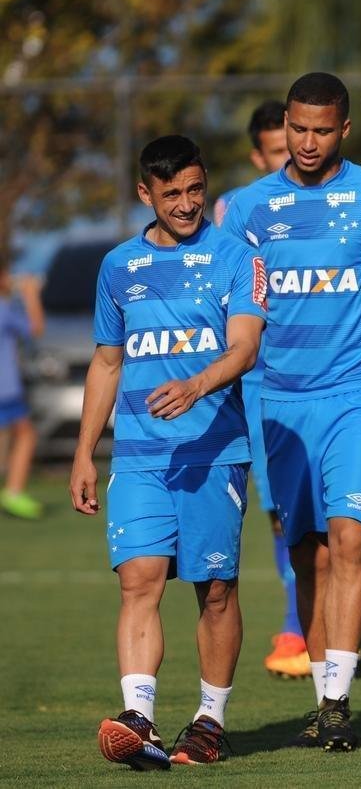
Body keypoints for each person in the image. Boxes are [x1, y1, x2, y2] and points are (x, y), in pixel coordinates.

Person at [220, 72, 361, 752]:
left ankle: (338, 700)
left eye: (320, 131)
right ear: (285, 124)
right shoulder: (249, 208)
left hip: (357, 392)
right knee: (307, 552)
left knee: (351, 537)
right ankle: (322, 697)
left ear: (344, 130)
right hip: (280, 401)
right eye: (296, 129)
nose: (306, 142)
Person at [71, 135, 267, 768]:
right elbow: (105, 362)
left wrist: (197, 385)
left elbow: (245, 348)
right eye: (172, 194)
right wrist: (84, 454)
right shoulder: (118, 267)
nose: (186, 205)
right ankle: (141, 716)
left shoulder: (237, 257)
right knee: (140, 581)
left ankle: (209, 722)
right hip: (138, 456)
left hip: (214, 452)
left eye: (195, 190)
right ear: (145, 194)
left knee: (214, 590)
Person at [213, 99, 310, 681]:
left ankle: (301, 626)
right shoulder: (236, 211)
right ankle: (298, 622)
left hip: (306, 381)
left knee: (306, 513)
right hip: (250, 385)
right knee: (275, 514)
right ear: (260, 155)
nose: (294, 160)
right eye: (279, 152)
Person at [0, 264, 44, 519]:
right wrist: (30, 294)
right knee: (26, 434)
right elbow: (36, 327)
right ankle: (14, 492)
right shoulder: (4, 309)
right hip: (6, 388)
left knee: (23, 432)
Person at [213, 101, 290, 226]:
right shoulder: (232, 203)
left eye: (292, 147)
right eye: (278, 152)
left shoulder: (325, 194)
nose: (289, 157)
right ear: (259, 159)